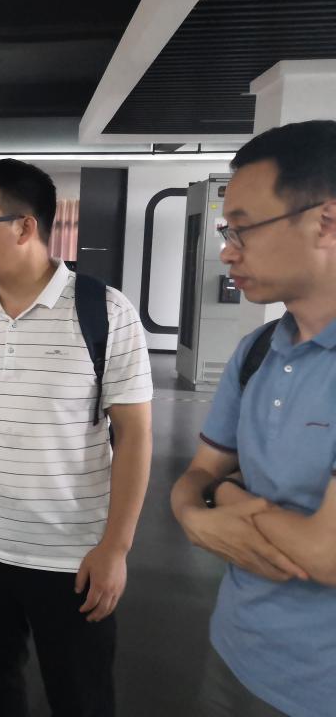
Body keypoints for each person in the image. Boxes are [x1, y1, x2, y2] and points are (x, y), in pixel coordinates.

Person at [0, 159, 153, 717]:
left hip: (69, 555)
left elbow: (135, 435)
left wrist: (116, 548)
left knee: (80, 696)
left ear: (24, 226)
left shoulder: (104, 313)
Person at [171, 120, 336, 717]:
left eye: (243, 229)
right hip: (236, 653)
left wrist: (229, 500)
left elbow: (325, 555)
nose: (227, 251)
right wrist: (194, 512)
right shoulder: (259, 350)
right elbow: (196, 476)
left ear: (326, 222)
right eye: (226, 231)